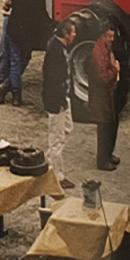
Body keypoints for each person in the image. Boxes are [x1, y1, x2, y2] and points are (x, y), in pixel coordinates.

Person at [0, 0, 51, 105]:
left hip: (14, 30)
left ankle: (14, 93)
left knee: (15, 60)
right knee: (23, 58)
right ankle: (7, 87)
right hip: (28, 32)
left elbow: (6, 5)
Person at [41, 20, 78, 190]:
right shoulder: (56, 51)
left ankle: (48, 164)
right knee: (57, 137)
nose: (75, 35)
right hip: (57, 100)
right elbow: (53, 79)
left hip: (62, 97)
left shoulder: (57, 47)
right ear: (66, 34)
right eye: (73, 32)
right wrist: (60, 101)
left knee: (67, 129)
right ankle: (57, 176)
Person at [89, 26, 122, 171]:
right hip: (101, 96)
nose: (112, 40)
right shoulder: (99, 52)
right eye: (109, 37)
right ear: (102, 36)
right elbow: (103, 76)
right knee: (104, 128)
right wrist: (115, 70)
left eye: (113, 37)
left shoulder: (105, 49)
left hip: (107, 94)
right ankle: (102, 161)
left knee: (112, 124)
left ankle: (108, 154)